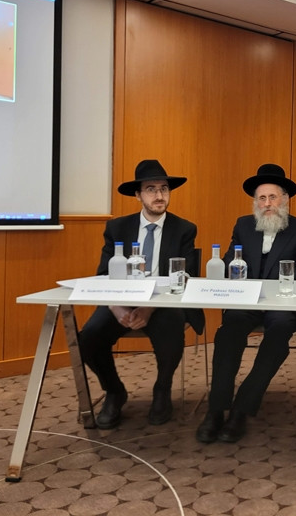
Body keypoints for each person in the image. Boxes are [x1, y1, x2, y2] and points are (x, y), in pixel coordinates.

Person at [196, 164, 296, 443]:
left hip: (283, 304)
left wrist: (267, 290)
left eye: (272, 197)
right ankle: (216, 409)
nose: (267, 204)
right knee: (228, 331)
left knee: (279, 331)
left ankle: (241, 408)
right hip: (246, 301)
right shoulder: (243, 225)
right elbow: (230, 261)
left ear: (285, 199)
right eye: (261, 198)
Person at [79, 159, 203, 428]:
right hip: (121, 301)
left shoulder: (184, 229)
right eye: (151, 189)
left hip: (165, 303)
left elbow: (186, 277)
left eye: (164, 189)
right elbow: (104, 274)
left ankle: (162, 389)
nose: (159, 195)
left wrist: (149, 308)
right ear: (138, 195)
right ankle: (114, 391)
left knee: (171, 329)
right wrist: (116, 308)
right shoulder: (117, 228)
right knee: (89, 337)